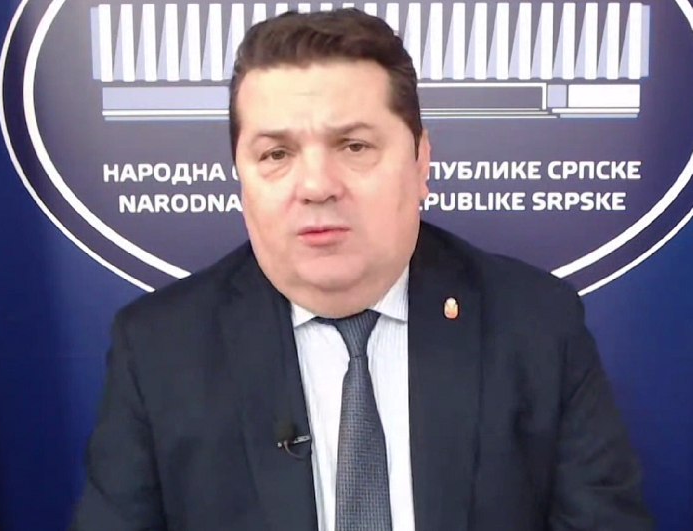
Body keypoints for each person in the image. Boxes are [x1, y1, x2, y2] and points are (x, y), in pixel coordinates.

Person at [70, 8, 654, 531]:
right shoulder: (158, 348)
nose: (316, 186)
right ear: (241, 180)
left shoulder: (536, 325)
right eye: (276, 154)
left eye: (354, 146)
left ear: (421, 162)